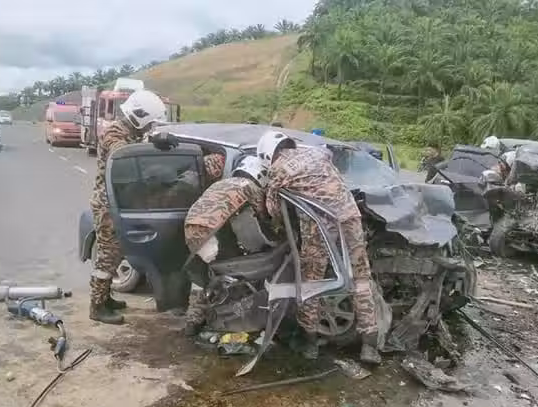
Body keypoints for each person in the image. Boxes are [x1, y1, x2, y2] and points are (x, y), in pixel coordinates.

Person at [257, 131, 382, 364]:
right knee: (361, 279)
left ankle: (310, 343)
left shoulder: (278, 169)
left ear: (266, 155)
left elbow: (272, 210)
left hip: (319, 224)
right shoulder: (318, 154)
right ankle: (370, 346)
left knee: (311, 283)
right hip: (350, 216)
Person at [89, 89, 167, 325]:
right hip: (108, 204)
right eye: (149, 122)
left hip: (119, 202)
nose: (150, 127)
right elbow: (123, 155)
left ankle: (105, 297)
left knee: (115, 253)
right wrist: (153, 146)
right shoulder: (114, 133)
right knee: (107, 256)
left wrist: (156, 142)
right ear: (139, 116)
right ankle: (97, 306)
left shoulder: (130, 132)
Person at [183, 155, 268, 335]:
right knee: (233, 271)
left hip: (191, 230)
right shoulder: (250, 187)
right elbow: (263, 216)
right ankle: (227, 316)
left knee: (201, 277)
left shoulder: (222, 183)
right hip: (211, 233)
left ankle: (193, 321)